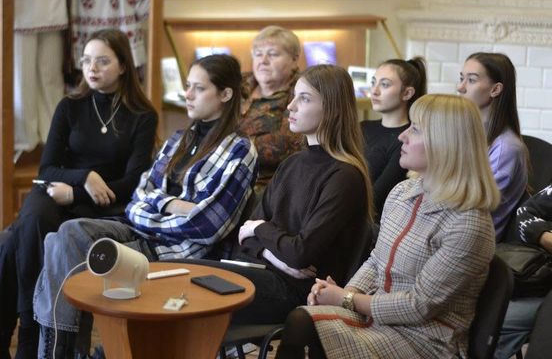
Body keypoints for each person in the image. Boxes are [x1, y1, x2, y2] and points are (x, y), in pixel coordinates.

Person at [32, 54, 258, 358]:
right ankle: (64, 352)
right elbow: (137, 199)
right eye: (187, 86)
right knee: (66, 234)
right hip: (140, 233)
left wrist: (155, 207)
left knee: (62, 248)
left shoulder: (240, 150)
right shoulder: (178, 139)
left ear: (226, 94)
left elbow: (207, 226)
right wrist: (172, 204)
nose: (188, 94)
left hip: (177, 253)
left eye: (199, 88)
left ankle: (62, 353)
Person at [276, 94, 500, 359]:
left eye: (415, 129)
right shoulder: (402, 193)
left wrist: (345, 300)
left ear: (446, 143)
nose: (402, 136)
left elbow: (418, 306)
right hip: (376, 319)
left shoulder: (468, 223)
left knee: (305, 325)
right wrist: (347, 292)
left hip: (425, 340)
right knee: (303, 320)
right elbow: (376, 261)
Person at [0, 28, 158, 359]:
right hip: (57, 190)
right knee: (34, 219)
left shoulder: (142, 115)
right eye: (87, 60)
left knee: (15, 241)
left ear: (124, 66)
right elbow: (46, 169)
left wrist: (77, 195)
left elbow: (132, 181)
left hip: (101, 206)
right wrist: (85, 178)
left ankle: (7, 341)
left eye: (103, 61)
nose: (92, 68)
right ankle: (30, 333)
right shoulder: (70, 105)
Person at [186, 64, 372, 326]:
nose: (290, 106)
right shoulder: (292, 164)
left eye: (304, 99)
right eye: (294, 96)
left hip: (298, 293)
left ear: (332, 109)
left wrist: (260, 229)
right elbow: (244, 239)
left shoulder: (345, 176)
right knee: (179, 272)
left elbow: (299, 254)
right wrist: (274, 255)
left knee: (186, 280)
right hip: (266, 271)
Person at [458, 52, 528, 241]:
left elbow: (474, 205)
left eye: (471, 80)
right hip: (452, 228)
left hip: (473, 240)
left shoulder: (507, 148)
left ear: (495, 89)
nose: (460, 87)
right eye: (461, 78)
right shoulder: (466, 134)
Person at [239, 25, 304, 188]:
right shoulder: (238, 84)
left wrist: (225, 146)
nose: (263, 61)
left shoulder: (301, 91)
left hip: (266, 185)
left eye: (273, 54)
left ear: (294, 59)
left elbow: (285, 146)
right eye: (258, 54)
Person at [362, 56, 427, 220]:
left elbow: (376, 200)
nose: (374, 91)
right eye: (373, 83)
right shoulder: (362, 127)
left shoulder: (407, 141)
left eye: (384, 84)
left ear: (407, 93)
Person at [494, 184, 552, 359]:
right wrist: (545, 236)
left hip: (543, 293)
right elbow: (525, 213)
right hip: (536, 276)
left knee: (496, 323)